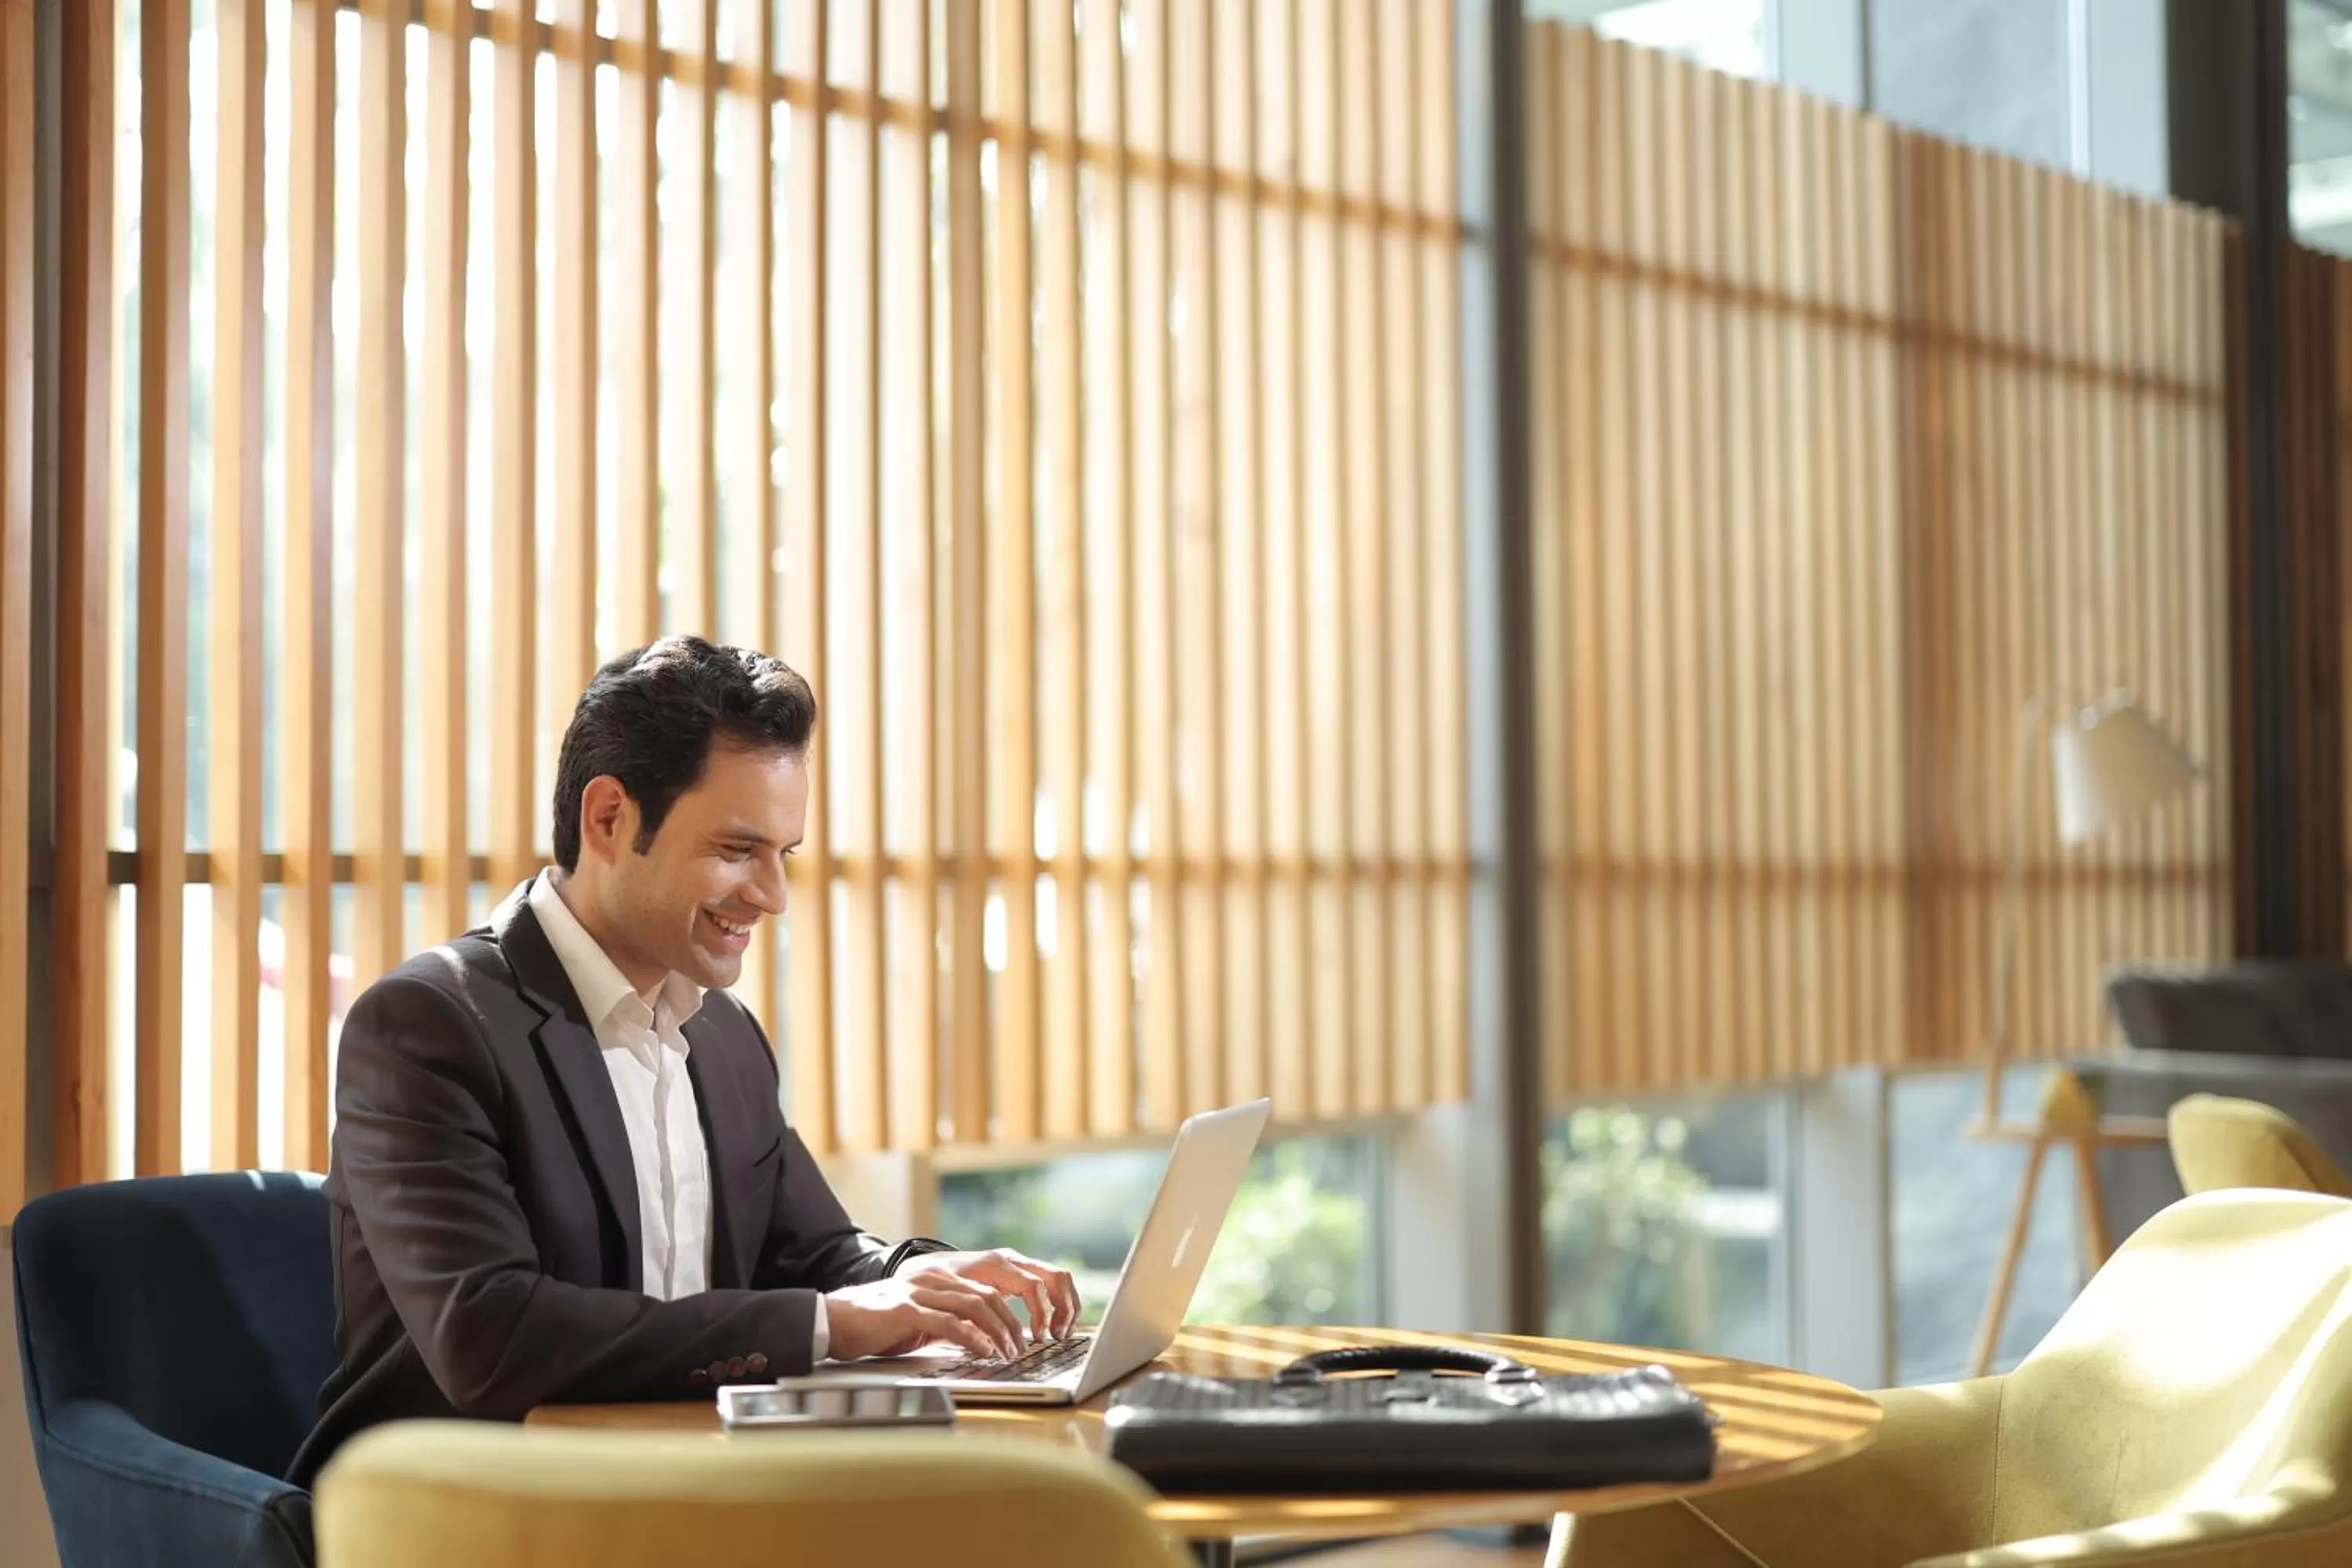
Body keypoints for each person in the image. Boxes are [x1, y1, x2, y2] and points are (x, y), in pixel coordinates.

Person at [289, 637, 1076, 1486]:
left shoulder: (724, 1033)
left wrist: (915, 1276)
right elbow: (490, 1337)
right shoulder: (430, 1023)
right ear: (608, 819)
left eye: (785, 854)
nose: (772, 894)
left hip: (689, 1488)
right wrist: (838, 1321)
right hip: (475, 1511)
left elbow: (814, 1254)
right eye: (739, 850)